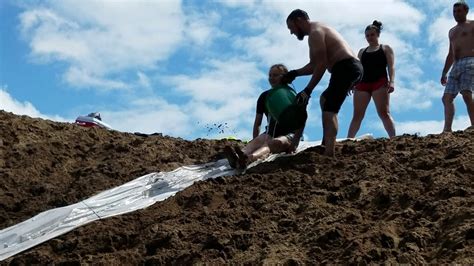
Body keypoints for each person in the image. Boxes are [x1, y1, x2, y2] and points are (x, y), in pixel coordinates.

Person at [283, 9, 363, 156]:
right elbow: (314, 65)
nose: (291, 32)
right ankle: (326, 143)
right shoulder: (316, 32)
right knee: (325, 99)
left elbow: (321, 65)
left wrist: (307, 90)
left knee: (329, 110)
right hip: (348, 68)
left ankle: (329, 152)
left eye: (291, 27)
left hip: (346, 67)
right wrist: (295, 73)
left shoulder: (315, 33)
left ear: (299, 20)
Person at [224, 64, 307, 169]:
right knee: (255, 143)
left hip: (290, 135)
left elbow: (301, 119)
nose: (272, 78)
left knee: (271, 143)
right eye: (270, 75)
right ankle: (239, 157)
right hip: (271, 132)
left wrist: (295, 143)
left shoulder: (292, 95)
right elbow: (258, 123)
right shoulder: (264, 96)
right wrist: (255, 139)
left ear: (284, 76)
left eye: (276, 75)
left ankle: (248, 159)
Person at [347, 21, 396, 138]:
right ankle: (348, 140)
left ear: (378, 34)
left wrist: (392, 81)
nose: (370, 37)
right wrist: (351, 83)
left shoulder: (385, 48)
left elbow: (391, 66)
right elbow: (357, 69)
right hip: (362, 85)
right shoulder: (362, 51)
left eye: (372, 35)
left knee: (384, 113)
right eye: (367, 35)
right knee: (357, 115)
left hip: (379, 83)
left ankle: (393, 139)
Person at [440, 1, 474, 132]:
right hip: (456, 65)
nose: (456, 14)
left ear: (466, 11)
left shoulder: (472, 25)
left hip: (470, 61)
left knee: (466, 93)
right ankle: (447, 129)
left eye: (459, 11)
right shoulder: (452, 31)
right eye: (454, 11)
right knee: (446, 98)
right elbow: (450, 53)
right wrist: (444, 72)